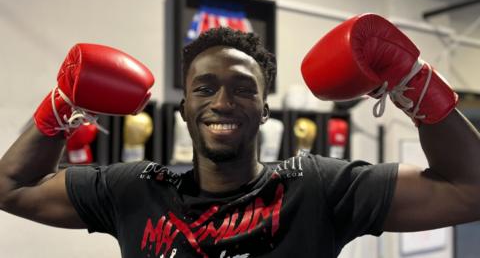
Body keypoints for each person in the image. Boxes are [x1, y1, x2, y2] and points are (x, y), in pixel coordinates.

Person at [0, 13, 479, 258]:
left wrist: (413, 80)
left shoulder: (315, 187)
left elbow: (469, 192)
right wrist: (60, 108)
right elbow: (11, 187)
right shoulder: (135, 189)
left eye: (243, 90)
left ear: (265, 109)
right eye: (204, 89)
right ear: (185, 108)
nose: (223, 103)